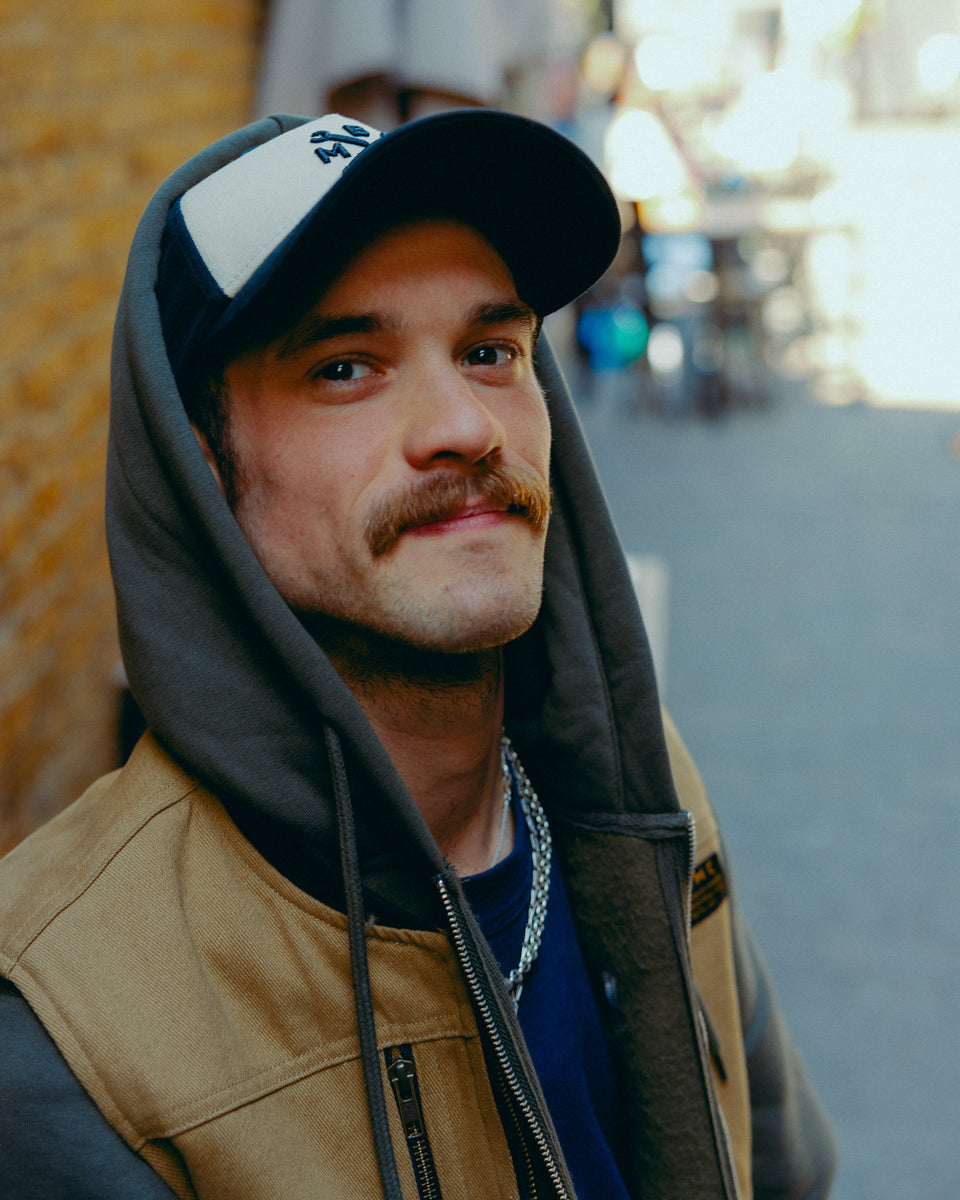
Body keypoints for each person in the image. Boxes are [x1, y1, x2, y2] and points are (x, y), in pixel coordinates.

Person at [0, 110, 837, 1199]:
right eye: (348, 366)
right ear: (205, 473)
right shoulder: (69, 1027)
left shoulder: (638, 780)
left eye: (491, 352)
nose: (462, 426)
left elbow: (780, 1168)